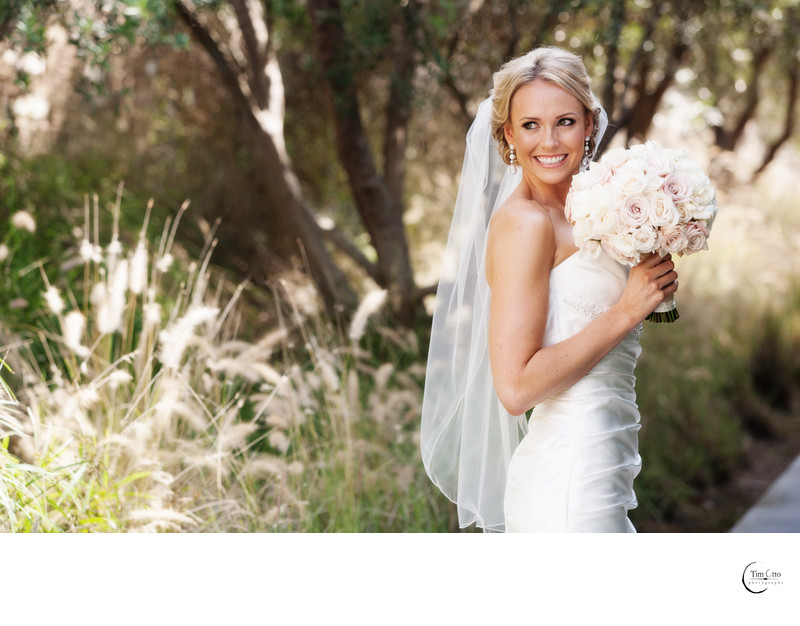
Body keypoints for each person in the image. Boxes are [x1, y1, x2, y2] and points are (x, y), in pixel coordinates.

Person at [420, 47, 678, 532]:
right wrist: (626, 310)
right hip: (569, 479)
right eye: (531, 125)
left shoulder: (592, 209)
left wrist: (653, 268)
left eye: (564, 121)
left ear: (589, 124)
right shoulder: (525, 224)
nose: (550, 141)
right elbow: (515, 389)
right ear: (508, 136)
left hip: (608, 460)